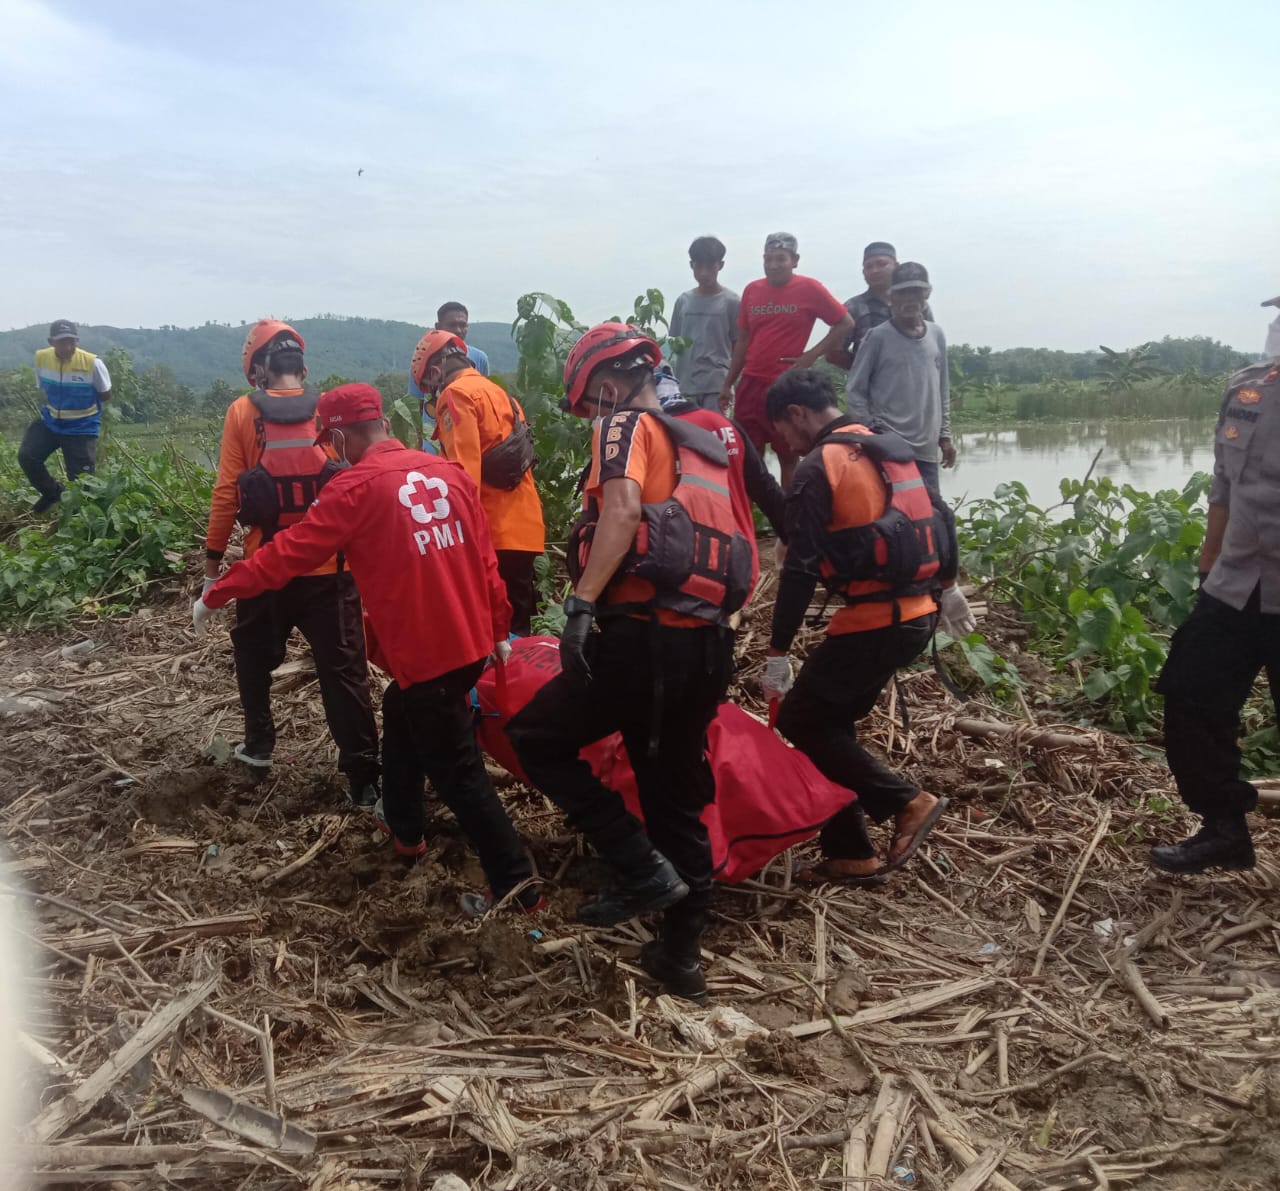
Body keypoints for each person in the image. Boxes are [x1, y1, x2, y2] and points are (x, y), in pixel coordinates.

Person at [194, 384, 539, 916]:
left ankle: (518, 886)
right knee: (402, 709)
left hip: (430, 655)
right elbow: (485, 559)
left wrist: (219, 589)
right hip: (469, 644)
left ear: (335, 435)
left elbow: (286, 553)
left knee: (459, 774)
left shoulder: (354, 488)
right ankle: (403, 826)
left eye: (329, 442)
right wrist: (498, 628)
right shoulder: (448, 474)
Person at [507, 324, 749, 1003]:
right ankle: (681, 955)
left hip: (644, 641)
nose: (590, 416)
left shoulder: (624, 427)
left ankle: (638, 866)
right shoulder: (703, 447)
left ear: (606, 386)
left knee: (537, 737)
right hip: (708, 645)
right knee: (674, 789)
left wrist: (581, 605)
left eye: (588, 404)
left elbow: (620, 508)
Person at [761, 369, 976, 884]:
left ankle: (908, 802)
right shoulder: (890, 447)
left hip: (875, 621)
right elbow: (940, 518)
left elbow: (800, 568)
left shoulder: (820, 466)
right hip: (916, 616)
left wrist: (778, 650)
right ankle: (850, 853)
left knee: (801, 721)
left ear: (797, 414)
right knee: (828, 728)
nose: (785, 446)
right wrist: (948, 586)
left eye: (782, 434)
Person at [203, 320, 380, 805]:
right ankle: (364, 779)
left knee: (253, 657)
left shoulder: (242, 412)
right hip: (331, 569)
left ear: (258, 368)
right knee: (344, 672)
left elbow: (226, 493)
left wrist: (213, 565)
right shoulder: (328, 412)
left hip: (266, 568)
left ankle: (259, 747)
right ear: (299, 364)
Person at [1148, 356, 1280, 874]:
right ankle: (1224, 828)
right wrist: (1209, 566)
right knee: (1190, 692)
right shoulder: (1248, 387)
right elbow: (1224, 484)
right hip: (1239, 580)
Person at [411, 330, 546, 634]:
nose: (434, 394)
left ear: (435, 372)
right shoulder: (502, 395)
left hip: (492, 532)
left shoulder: (456, 395)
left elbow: (462, 475)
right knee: (519, 628)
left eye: (431, 386)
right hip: (524, 529)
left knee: (490, 633)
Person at [716, 234, 853, 489]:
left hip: (785, 386)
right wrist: (728, 383)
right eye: (768, 259)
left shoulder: (810, 289)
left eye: (781, 259)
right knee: (749, 455)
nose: (774, 265)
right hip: (751, 383)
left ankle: (791, 519)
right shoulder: (752, 290)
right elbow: (742, 341)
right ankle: (751, 520)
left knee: (788, 456)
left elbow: (845, 322)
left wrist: (812, 354)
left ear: (795, 260)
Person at [655, 367, 785, 596]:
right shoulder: (727, 426)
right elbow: (766, 489)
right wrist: (791, 537)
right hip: (740, 568)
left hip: (685, 572)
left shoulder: (655, 432)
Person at [846, 262, 953, 497]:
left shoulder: (936, 334)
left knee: (932, 514)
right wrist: (875, 432)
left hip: (926, 449)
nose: (910, 299)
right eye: (903, 292)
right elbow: (854, 391)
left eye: (916, 292)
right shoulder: (877, 337)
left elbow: (942, 388)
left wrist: (945, 436)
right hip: (890, 448)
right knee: (895, 515)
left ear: (927, 294)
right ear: (891, 296)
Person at [19, 320, 112, 512]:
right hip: (51, 421)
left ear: (77, 340)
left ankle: (80, 523)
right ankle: (54, 493)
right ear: (51, 341)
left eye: (72, 341)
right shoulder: (41, 358)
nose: (68, 347)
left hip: (81, 428)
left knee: (82, 484)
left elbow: (105, 394)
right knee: (27, 456)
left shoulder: (93, 363)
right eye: (62, 342)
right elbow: (44, 388)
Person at [826, 242, 934, 371]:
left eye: (882, 264)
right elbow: (833, 354)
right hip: (871, 388)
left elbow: (930, 342)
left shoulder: (918, 306)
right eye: (868, 267)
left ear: (896, 266)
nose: (875, 270)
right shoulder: (853, 307)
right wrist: (867, 369)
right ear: (863, 272)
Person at [669, 236, 740, 411]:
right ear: (691, 265)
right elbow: (676, 342)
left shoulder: (732, 302)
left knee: (716, 435)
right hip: (685, 386)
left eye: (710, 266)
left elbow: (739, 346)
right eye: (698, 266)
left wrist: (727, 384)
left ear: (720, 265)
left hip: (717, 387)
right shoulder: (683, 302)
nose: (704, 272)